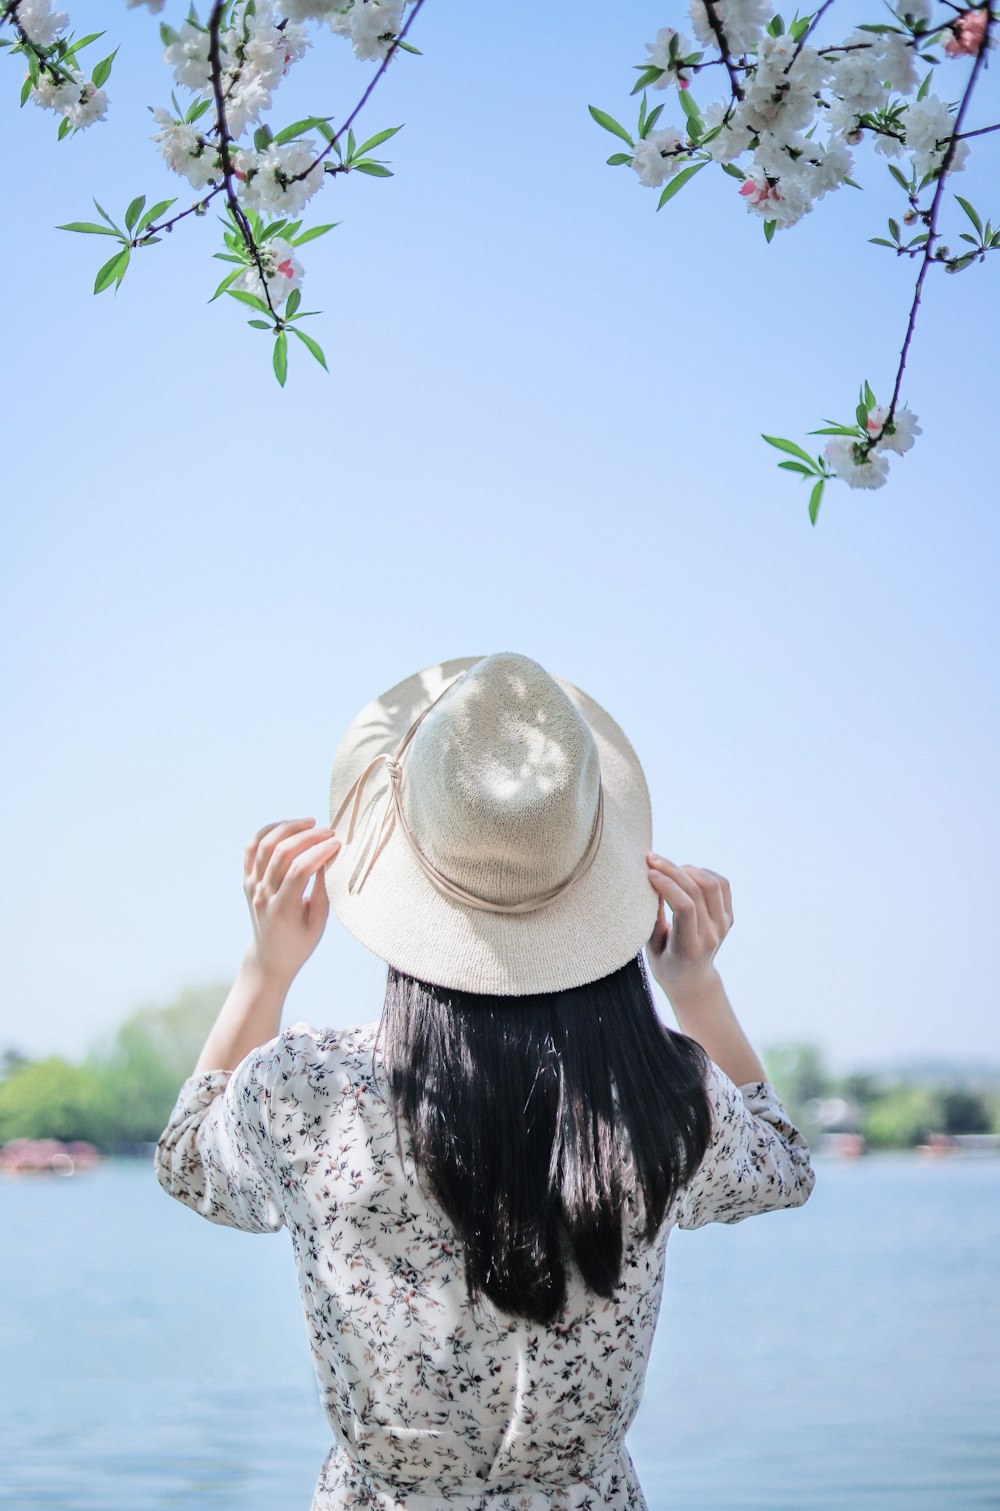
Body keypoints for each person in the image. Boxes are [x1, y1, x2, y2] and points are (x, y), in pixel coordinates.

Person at [155, 651, 815, 1510]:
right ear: (594, 874)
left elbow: (186, 1158)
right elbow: (782, 1165)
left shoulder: (308, 1092)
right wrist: (698, 989)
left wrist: (264, 970)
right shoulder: (665, 1093)